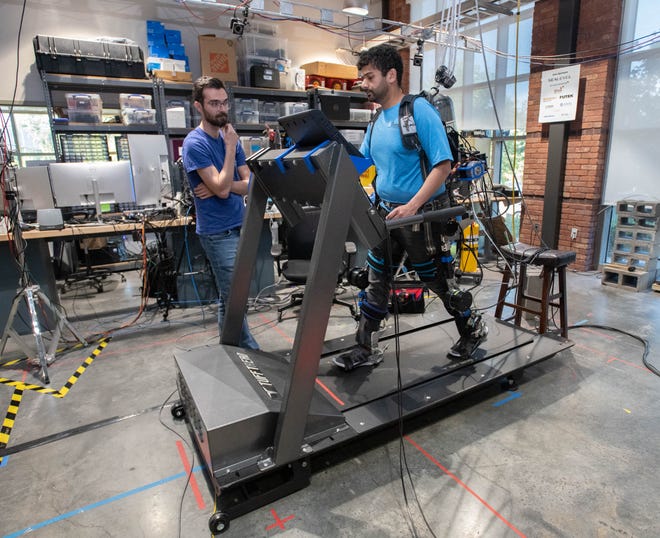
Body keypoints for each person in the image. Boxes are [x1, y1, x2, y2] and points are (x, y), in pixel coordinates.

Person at [333, 44, 486, 371]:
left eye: (369, 77)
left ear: (391, 75)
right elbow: (362, 163)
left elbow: (443, 165)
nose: (363, 83)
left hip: (421, 217)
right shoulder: (376, 121)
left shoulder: (418, 111)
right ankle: (365, 347)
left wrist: (414, 206)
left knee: (438, 282)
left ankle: (472, 328)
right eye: (362, 77)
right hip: (386, 214)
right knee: (377, 281)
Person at [182, 76, 258, 349]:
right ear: (198, 107)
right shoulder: (195, 144)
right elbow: (225, 190)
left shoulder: (232, 138)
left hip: (240, 225)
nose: (221, 108)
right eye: (214, 103)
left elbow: (248, 183)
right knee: (235, 298)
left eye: (224, 102)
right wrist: (228, 151)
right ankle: (250, 350)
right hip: (218, 233)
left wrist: (218, 186)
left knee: (231, 298)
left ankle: (230, 350)